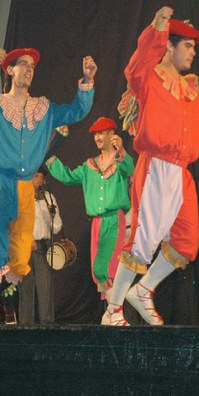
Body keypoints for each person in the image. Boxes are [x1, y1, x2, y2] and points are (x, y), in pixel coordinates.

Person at [104, 6, 199, 326]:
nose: (193, 52)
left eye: (194, 47)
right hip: (155, 168)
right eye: (187, 45)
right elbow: (135, 68)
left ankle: (143, 290)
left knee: (186, 243)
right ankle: (112, 310)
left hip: (181, 174)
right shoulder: (149, 80)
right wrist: (158, 28)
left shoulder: (192, 90)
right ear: (168, 47)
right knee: (141, 243)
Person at [0, 47, 97, 324]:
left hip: (26, 186)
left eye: (32, 66)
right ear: (10, 70)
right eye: (22, 64)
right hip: (1, 181)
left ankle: (2, 306)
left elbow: (76, 111)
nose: (28, 69)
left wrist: (87, 82)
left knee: (22, 252)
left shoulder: (43, 108)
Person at [46, 116, 134, 309]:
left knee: (104, 267)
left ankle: (115, 312)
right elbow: (68, 177)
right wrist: (50, 158)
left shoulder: (120, 162)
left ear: (112, 134)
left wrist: (121, 151)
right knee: (100, 273)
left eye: (101, 133)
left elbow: (130, 169)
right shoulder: (90, 165)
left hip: (114, 220)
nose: (97, 138)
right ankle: (113, 313)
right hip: (97, 223)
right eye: (95, 134)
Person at [18, 167, 63, 324]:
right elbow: (16, 223)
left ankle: (47, 325)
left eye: (39, 176)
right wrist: (27, 240)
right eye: (34, 175)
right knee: (25, 289)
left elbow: (57, 227)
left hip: (43, 247)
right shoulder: (21, 196)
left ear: (43, 180)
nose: (36, 179)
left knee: (45, 288)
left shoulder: (48, 198)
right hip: (24, 247)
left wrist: (51, 216)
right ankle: (25, 326)